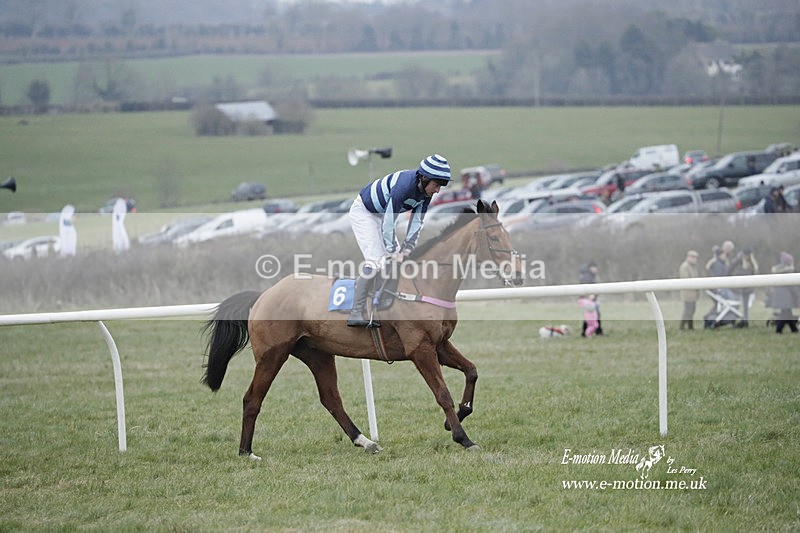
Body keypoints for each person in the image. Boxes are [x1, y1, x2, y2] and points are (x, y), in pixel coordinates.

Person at [346, 154, 451, 327]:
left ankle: (378, 309)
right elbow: (389, 221)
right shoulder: (403, 186)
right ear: (424, 178)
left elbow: (417, 221)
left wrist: (407, 248)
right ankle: (355, 312)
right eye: (436, 185)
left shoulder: (426, 193)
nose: (437, 190)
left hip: (380, 216)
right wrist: (394, 251)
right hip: (364, 212)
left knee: (392, 262)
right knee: (376, 261)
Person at [727, 246, 759, 327]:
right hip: (737, 288)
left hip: (747, 288)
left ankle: (745, 320)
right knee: (735, 305)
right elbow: (729, 271)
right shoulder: (737, 262)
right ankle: (731, 320)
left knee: (745, 306)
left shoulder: (752, 263)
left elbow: (753, 273)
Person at [769, 251, 799, 334]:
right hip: (786, 298)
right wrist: (797, 295)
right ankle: (779, 330)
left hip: (779, 297)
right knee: (785, 315)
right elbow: (792, 286)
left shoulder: (778, 272)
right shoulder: (788, 273)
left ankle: (794, 329)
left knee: (788, 313)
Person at [578, 261, 603, 335]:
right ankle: (597, 331)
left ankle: (587, 331)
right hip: (589, 300)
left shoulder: (591, 276)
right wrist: (591, 296)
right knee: (594, 315)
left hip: (590, 299)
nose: (596, 269)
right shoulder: (587, 277)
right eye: (594, 267)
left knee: (590, 316)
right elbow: (585, 289)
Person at [679, 250, 700, 330]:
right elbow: (686, 280)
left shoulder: (692, 267)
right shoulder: (684, 267)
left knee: (692, 310)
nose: (694, 259)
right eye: (692, 257)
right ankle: (683, 327)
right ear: (688, 257)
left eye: (695, 258)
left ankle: (690, 326)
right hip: (687, 293)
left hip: (693, 293)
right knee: (688, 310)